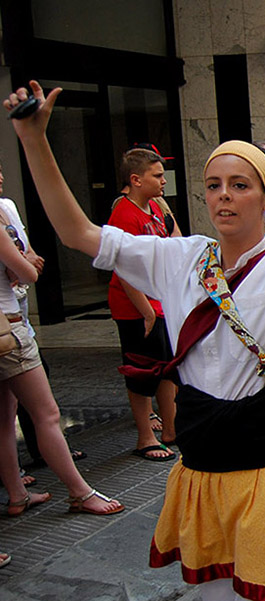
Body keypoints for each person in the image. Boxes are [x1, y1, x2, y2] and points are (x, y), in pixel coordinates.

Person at [6, 81, 265, 601]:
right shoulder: (180, 256)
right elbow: (77, 233)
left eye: (239, 185)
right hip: (203, 474)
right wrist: (32, 140)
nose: (223, 196)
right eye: (214, 184)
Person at [0, 103, 125, 521]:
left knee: (5, 419)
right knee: (46, 414)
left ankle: (16, 493)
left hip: (9, 325)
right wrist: (24, 262)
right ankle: (79, 490)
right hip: (9, 328)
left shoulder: (7, 212)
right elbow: (27, 270)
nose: (0, 176)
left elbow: (31, 261)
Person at [107, 148, 178, 461]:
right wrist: (146, 312)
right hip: (136, 307)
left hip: (157, 301)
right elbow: (124, 270)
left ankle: (171, 428)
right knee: (141, 372)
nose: (163, 181)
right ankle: (145, 436)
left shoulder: (153, 209)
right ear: (136, 180)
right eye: (157, 175)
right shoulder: (123, 214)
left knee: (165, 368)